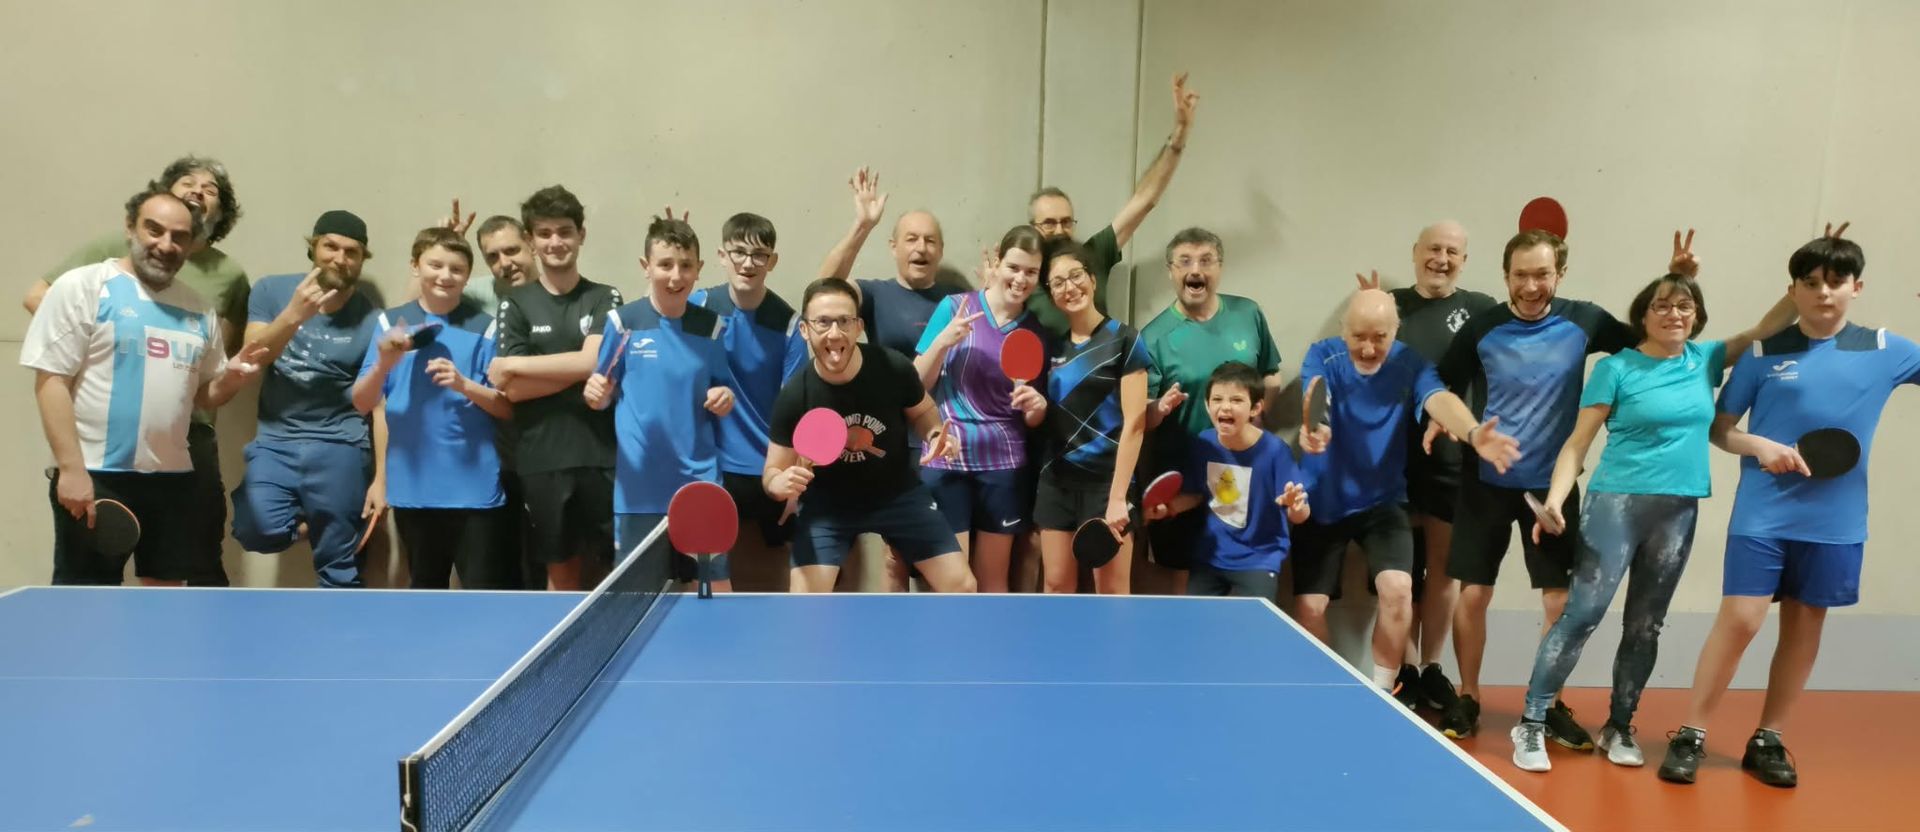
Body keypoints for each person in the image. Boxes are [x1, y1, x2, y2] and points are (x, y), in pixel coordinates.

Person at [1513, 235, 1799, 773]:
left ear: (1697, 316)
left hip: (1677, 511)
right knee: (1583, 613)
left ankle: (1619, 725)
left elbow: (1766, 329)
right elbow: (1576, 444)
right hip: (1615, 505)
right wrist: (1554, 500)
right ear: (1642, 317)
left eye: (1684, 306)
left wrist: (1804, 281)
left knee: (1645, 625)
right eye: (1661, 306)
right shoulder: (1617, 367)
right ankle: (1530, 721)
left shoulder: (1706, 360)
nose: (1673, 313)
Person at [1660, 229, 1916, 788]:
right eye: (1811, 282)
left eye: (1836, 282)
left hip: (1837, 522)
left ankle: (1768, 738)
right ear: (1793, 289)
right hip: (1764, 514)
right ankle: (1692, 733)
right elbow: (1720, 429)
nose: (1824, 292)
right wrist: (1760, 446)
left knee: (1803, 627)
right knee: (1740, 621)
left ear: (1856, 288)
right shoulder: (1762, 354)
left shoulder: (1887, 350)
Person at [1435, 228, 1639, 746]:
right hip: (1485, 480)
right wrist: (1443, 419)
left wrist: (1679, 278)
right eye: (1520, 275)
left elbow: (1646, 345)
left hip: (1553, 485)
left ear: (1560, 274)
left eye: (1542, 274)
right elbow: (1440, 380)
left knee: (1558, 601)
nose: (1531, 286)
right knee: (1474, 592)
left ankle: (1545, 703)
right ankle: (1468, 694)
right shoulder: (1483, 327)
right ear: (1505, 276)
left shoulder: (1584, 320)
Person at [26, 156, 250, 587]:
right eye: (154, 230)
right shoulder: (83, 286)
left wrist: (233, 378)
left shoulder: (199, 309)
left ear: (191, 243)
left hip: (174, 479)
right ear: (130, 227)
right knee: (85, 601)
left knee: (165, 598)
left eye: (179, 237)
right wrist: (71, 469)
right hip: (96, 473)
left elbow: (204, 396)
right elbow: (51, 380)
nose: (166, 244)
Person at [1294, 284, 1522, 695]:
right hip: (1323, 499)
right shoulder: (1322, 355)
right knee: (1310, 608)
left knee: (1399, 590)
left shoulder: (1410, 363)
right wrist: (1315, 431)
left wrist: (1472, 432)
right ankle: (1326, 690)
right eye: (1358, 336)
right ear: (1344, 330)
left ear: (1396, 331)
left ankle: (1382, 692)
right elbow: (1316, 402)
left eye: (1379, 337)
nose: (1368, 348)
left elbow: (1438, 399)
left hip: (1384, 502)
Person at [764, 278, 976, 594]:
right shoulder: (795, 397)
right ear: (805, 330)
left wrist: (934, 434)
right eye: (823, 322)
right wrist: (778, 484)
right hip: (828, 506)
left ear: (859, 327)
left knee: (962, 586)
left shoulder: (892, 368)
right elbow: (772, 472)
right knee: (805, 601)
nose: (834, 333)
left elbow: (922, 412)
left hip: (898, 494)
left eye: (844, 321)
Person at [817, 169, 964, 591]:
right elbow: (824, 286)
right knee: (895, 558)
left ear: (941, 250)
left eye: (930, 240)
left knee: (940, 560)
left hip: (941, 438)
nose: (921, 247)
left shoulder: (957, 301)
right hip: (889, 441)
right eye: (911, 238)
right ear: (894, 246)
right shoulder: (875, 294)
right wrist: (862, 225)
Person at [352, 228, 514, 589]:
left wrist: (463, 384)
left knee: (484, 593)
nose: (445, 276)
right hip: (413, 489)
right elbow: (362, 402)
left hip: (476, 489)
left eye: (456, 269)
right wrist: (383, 365)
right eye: (435, 265)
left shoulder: (486, 328)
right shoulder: (389, 324)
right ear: (416, 266)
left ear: (467, 277)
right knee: (426, 591)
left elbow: (507, 409)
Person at [229, 211, 383, 588]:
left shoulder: (371, 317)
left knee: (340, 566)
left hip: (341, 443)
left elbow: (379, 400)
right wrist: (294, 314)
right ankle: (317, 522)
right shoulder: (272, 291)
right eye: (331, 246)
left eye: (352, 252)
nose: (340, 258)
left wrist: (381, 477)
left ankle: (341, 625)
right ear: (313, 247)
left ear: (362, 259)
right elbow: (252, 358)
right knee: (254, 529)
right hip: (276, 441)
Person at [585, 217, 735, 586]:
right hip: (640, 490)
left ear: (699, 269)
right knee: (636, 597)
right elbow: (602, 392)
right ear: (646, 266)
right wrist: (596, 396)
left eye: (686, 265)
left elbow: (723, 389)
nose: (675, 276)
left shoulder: (712, 327)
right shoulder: (622, 323)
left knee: (713, 592)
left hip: (699, 484)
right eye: (665, 264)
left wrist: (724, 397)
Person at [487, 186, 623, 590]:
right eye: (544, 233)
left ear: (581, 235)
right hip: (541, 458)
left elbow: (593, 361)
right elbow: (513, 392)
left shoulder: (605, 297)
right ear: (531, 241)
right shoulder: (515, 303)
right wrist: (576, 369)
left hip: (603, 454)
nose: (555, 242)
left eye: (565, 231)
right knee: (560, 571)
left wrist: (515, 364)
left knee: (615, 569)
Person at [1390, 221, 1498, 709]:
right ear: (1416, 253)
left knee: (1442, 568)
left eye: (1453, 251)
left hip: (1454, 459)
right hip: (1394, 459)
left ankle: (1431, 666)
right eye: (1434, 248)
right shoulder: (1389, 304)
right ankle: (1406, 667)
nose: (1442, 258)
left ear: (1464, 261)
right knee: (1400, 570)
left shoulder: (1481, 309)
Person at [1141, 227, 1283, 594]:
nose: (1196, 270)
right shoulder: (1153, 336)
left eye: (1206, 261)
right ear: (1171, 271)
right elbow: (1144, 417)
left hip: (1240, 475)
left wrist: (1258, 417)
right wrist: (1159, 408)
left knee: (1241, 578)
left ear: (1219, 267)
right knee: (1186, 584)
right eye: (1185, 261)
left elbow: (1270, 374)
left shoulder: (1248, 313)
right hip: (1182, 477)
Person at [913, 226, 1052, 592]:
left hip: (1003, 465)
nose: (1020, 279)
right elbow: (915, 385)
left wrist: (1038, 406)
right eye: (1014, 267)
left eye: (1031, 272)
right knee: (952, 584)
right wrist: (943, 342)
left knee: (993, 583)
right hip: (948, 456)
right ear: (998, 261)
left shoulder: (1035, 332)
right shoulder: (954, 308)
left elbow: (1032, 418)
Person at [1026, 72, 1201, 337]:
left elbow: (1144, 200)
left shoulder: (1093, 254)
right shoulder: (1022, 276)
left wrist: (1179, 136)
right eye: (1049, 223)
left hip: (1104, 360)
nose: (1060, 230)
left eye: (1066, 221)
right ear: (1033, 227)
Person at [690, 213, 809, 586]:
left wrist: (794, 478)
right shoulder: (696, 306)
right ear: (721, 256)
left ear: (772, 261)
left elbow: (796, 410)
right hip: (711, 466)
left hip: (769, 467)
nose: (747, 263)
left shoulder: (789, 325)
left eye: (759, 255)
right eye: (738, 252)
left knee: (784, 566)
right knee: (709, 570)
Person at [1033, 239, 1151, 595]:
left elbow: (1135, 424)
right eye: (1058, 282)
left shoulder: (1125, 340)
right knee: (1056, 585)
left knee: (1111, 592)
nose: (1070, 287)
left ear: (1093, 279)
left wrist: (1117, 497)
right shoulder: (1051, 346)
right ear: (1051, 294)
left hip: (1106, 483)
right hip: (1056, 481)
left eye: (1076, 276)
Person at [1149, 362, 1310, 598]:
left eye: (1236, 400)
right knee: (1194, 619)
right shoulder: (1204, 443)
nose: (1225, 406)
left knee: (1252, 621)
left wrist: (1295, 506)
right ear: (1207, 405)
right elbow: (1196, 495)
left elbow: (1300, 514)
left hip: (1259, 558)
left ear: (1255, 408)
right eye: (1217, 399)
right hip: (1210, 556)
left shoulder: (1276, 452)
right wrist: (1167, 508)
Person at [471, 214, 543, 587]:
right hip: (501, 463)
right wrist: (441, 243)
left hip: (552, 458)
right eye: (493, 256)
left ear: (531, 243)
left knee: (548, 570)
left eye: (512, 250)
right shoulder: (479, 297)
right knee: (504, 575)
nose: (504, 263)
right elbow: (418, 308)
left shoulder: (562, 294)